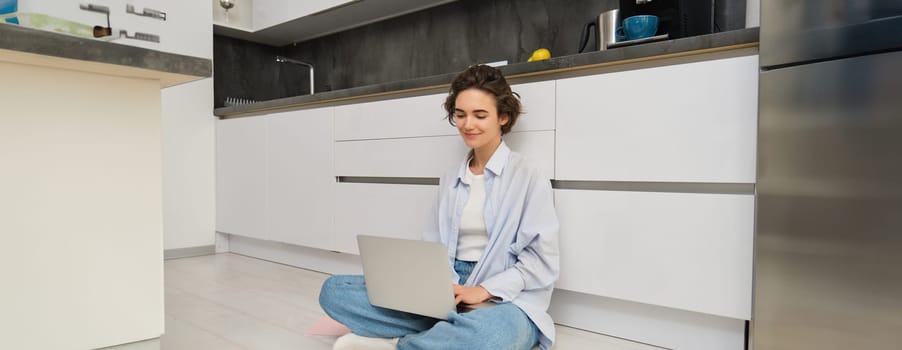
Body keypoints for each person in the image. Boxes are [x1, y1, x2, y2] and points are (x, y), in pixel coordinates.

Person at [319, 64, 560, 350]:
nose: (468, 124)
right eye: (460, 115)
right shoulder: (451, 178)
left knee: (490, 336)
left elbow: (539, 262)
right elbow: (434, 246)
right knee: (334, 291)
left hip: (503, 300)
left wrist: (482, 290)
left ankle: (403, 343)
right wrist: (438, 289)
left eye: (480, 115)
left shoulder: (528, 176)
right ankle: (445, 330)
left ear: (503, 117)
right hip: (448, 291)